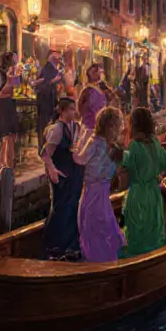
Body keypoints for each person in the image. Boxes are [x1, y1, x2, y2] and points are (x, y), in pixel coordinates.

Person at [122, 107, 166, 257]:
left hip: (138, 194)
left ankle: (138, 261)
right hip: (153, 193)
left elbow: (129, 164)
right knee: (153, 229)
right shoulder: (154, 142)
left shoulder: (134, 145)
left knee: (138, 231)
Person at [75, 106, 125, 262]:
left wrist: (78, 142)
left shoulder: (94, 142)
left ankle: (96, 263)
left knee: (92, 231)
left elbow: (79, 159)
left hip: (91, 194)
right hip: (103, 193)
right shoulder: (116, 149)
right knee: (105, 229)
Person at [41, 98, 83, 259]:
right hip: (61, 174)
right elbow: (45, 153)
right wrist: (52, 170)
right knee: (60, 209)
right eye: (71, 109)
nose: (74, 112)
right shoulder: (57, 129)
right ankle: (52, 246)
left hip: (74, 173)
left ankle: (69, 245)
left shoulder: (75, 127)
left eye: (74, 109)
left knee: (72, 207)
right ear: (62, 111)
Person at [0, 51, 22, 171]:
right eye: (14, 59)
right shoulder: (0, 74)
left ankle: (9, 163)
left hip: (9, 102)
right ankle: (5, 164)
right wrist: (10, 80)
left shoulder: (13, 72)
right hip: (3, 104)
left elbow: (16, 86)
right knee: (6, 135)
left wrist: (16, 76)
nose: (16, 60)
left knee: (12, 134)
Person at [33, 50, 63, 143]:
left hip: (48, 100)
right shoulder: (48, 68)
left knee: (47, 124)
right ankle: (44, 147)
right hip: (46, 101)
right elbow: (45, 82)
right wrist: (54, 81)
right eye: (55, 57)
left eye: (58, 58)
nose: (57, 59)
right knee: (45, 124)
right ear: (50, 57)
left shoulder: (52, 68)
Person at [79, 63, 109, 131]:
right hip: (90, 126)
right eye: (94, 72)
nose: (97, 74)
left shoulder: (101, 88)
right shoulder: (89, 90)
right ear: (89, 75)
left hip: (98, 124)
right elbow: (96, 108)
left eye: (98, 71)